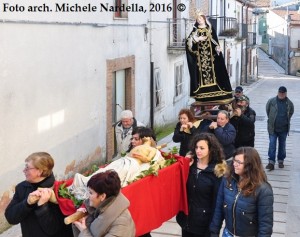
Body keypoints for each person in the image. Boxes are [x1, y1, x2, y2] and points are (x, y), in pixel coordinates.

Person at [69, 137, 164, 200]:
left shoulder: (152, 150)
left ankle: (98, 190)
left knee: (114, 174)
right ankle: (87, 183)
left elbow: (149, 160)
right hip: (124, 160)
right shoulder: (139, 146)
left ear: (151, 140)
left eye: (148, 137)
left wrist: (140, 156)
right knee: (104, 171)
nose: (146, 138)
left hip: (133, 163)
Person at [5, 152, 73, 237]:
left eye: (27, 167)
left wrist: (42, 206)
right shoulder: (22, 187)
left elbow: (53, 229)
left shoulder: (59, 192)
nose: (24, 170)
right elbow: (10, 218)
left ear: (40, 171)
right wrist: (26, 203)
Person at [210, 147, 274, 237]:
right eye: (234, 160)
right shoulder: (227, 180)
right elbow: (219, 210)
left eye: (239, 162)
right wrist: (214, 233)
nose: (234, 164)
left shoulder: (263, 190)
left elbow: (265, 224)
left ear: (250, 165)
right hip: (227, 234)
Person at [176, 133, 227, 237]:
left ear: (211, 149)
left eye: (202, 148)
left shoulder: (217, 171)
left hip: (204, 224)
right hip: (186, 219)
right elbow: (178, 188)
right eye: (196, 147)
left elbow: (217, 202)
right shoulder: (190, 165)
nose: (198, 151)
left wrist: (214, 227)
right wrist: (185, 167)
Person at [186, 9, 232, 103]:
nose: (199, 20)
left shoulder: (210, 29)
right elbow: (189, 44)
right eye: (197, 18)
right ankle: (202, 94)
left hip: (211, 57)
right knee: (201, 75)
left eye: (200, 18)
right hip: (200, 59)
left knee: (214, 73)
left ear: (204, 18)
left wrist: (217, 49)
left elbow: (214, 42)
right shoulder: (195, 30)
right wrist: (197, 39)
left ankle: (216, 92)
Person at [72, 170, 135, 237]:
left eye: (91, 193)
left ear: (102, 196)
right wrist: (83, 219)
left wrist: (84, 231)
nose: (88, 196)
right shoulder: (102, 207)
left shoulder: (122, 224)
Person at [265, 86, 294, 170]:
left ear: (285, 93)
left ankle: (281, 160)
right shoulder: (271, 101)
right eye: (280, 92)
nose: (281, 94)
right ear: (277, 92)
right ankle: (271, 162)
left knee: (282, 145)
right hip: (273, 128)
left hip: (283, 129)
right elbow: (268, 110)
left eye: (283, 93)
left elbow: (291, 112)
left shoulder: (289, 103)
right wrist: (272, 120)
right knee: (272, 145)